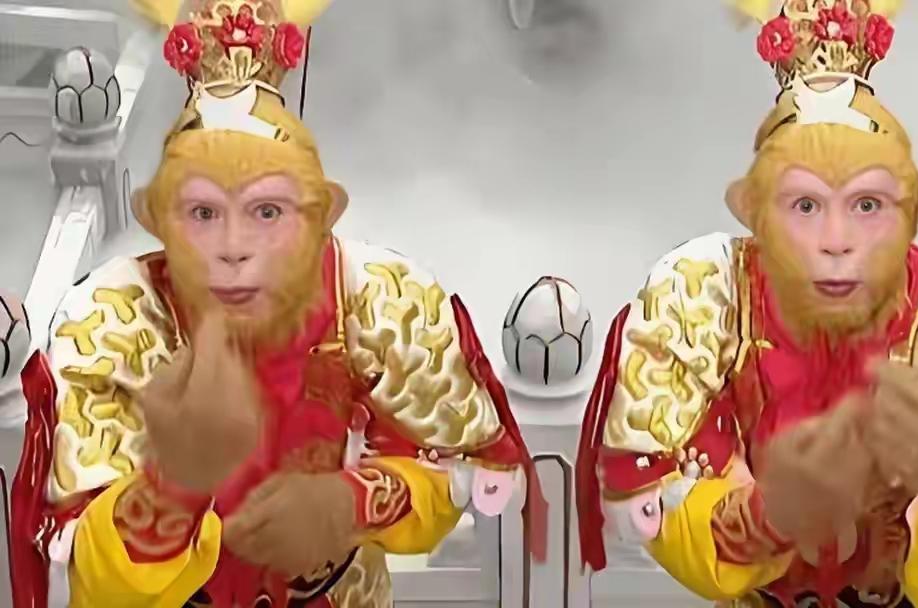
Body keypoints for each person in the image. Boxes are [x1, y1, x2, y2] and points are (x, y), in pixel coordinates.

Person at [10, 1, 545, 605]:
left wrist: (350, 503)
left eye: (267, 211)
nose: (234, 247)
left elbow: (461, 461)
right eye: (202, 213)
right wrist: (172, 487)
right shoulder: (113, 323)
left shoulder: (378, 298)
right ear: (158, 222)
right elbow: (87, 570)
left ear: (319, 218)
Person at [575, 1, 918, 606]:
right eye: (805, 205)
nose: (836, 240)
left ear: (911, 214)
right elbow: (650, 495)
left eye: (866, 205)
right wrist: (768, 516)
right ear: (757, 214)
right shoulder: (704, 297)